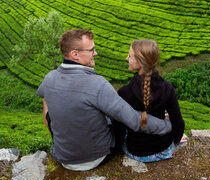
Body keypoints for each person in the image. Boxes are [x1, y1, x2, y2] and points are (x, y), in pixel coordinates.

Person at [37, 29, 172, 171]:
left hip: (64, 157)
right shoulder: (97, 84)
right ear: (75, 54)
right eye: (91, 50)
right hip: (97, 157)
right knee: (117, 116)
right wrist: (167, 125)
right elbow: (134, 119)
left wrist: (53, 128)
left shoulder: (49, 78)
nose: (96, 53)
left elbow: (44, 97)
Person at [116, 39, 185, 162]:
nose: (127, 58)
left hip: (136, 150)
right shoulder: (167, 88)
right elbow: (177, 121)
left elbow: (119, 128)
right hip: (162, 149)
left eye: (130, 56)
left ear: (140, 62)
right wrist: (177, 138)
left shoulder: (125, 92)